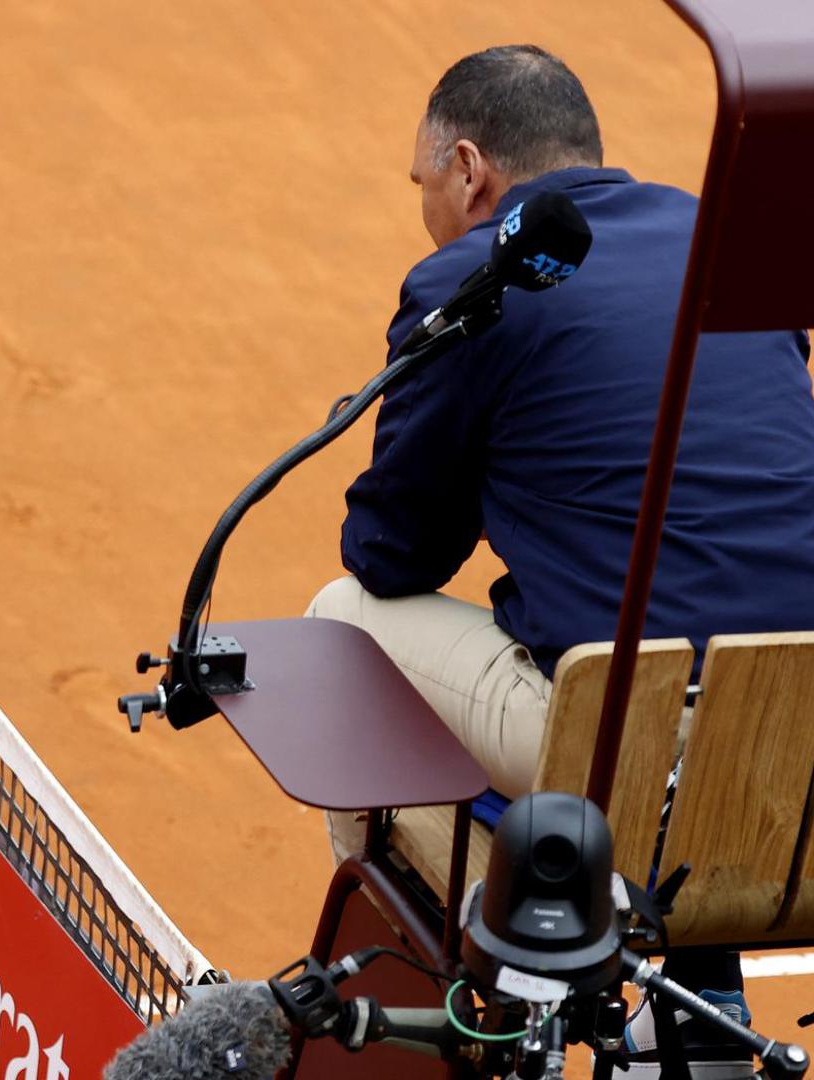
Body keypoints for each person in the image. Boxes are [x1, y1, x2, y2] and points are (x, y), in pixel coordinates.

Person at [307, 46, 814, 1076]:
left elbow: (390, 552)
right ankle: (693, 1025)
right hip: (798, 771)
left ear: (467, 169)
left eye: (422, 186)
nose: (428, 210)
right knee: (690, 642)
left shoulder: (474, 279)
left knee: (338, 624)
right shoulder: (715, 238)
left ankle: (479, 1020)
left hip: (632, 764)